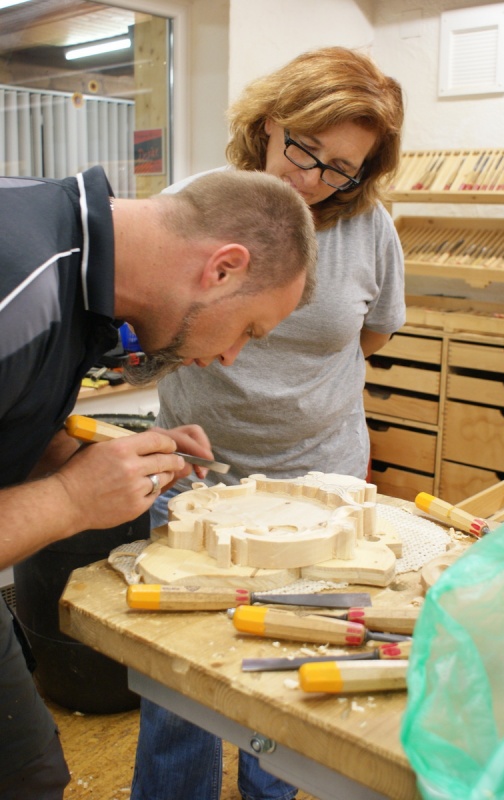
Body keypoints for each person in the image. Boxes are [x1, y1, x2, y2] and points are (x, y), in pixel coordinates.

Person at [131, 46, 406, 800]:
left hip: (322, 478)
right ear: (267, 124)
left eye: (340, 169)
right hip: (195, 478)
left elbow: (373, 333)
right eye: (304, 149)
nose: (311, 180)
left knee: (288, 675)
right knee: (180, 677)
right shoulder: (196, 204)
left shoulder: (369, 227)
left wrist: (298, 384)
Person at [0, 165, 317, 799]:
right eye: (248, 331)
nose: (230, 357)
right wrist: (71, 499)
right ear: (223, 268)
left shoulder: (79, 268)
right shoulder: (18, 287)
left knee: (30, 775)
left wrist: (89, 452)